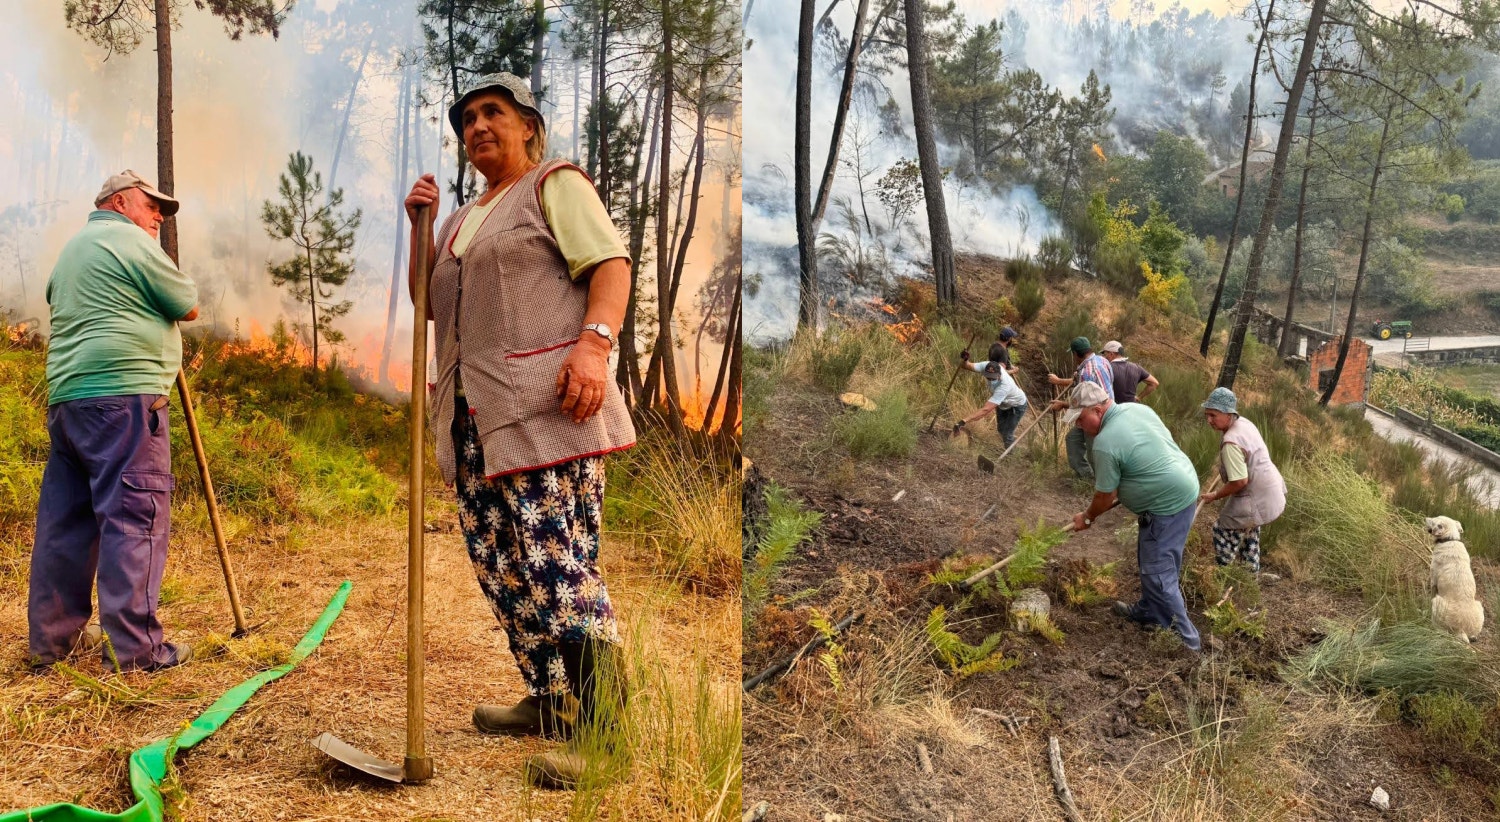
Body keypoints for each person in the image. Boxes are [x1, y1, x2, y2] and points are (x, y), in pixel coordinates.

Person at [404, 72, 636, 790]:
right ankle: (549, 701)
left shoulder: (553, 185)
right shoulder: (464, 219)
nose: (477, 126)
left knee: (557, 564)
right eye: (467, 117)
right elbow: (429, 306)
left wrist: (594, 345)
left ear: (528, 127)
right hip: (474, 421)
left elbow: (610, 264)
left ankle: (608, 733)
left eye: (492, 112)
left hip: (544, 410)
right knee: (503, 568)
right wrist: (421, 229)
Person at [29, 170, 198, 673]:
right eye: (152, 207)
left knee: (67, 524)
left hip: (68, 402)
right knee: (133, 520)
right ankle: (137, 652)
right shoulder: (128, 240)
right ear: (121, 202)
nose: (158, 219)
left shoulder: (72, 251)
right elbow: (187, 305)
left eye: (163, 213)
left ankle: (50, 648)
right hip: (124, 401)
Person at [1066, 383, 1203, 652]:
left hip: (1166, 505)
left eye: (1081, 420)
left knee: (1158, 573)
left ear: (1097, 409)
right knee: (1154, 559)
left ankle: (1188, 644)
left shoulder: (1105, 443)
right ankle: (1150, 610)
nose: (1079, 426)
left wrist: (1088, 517)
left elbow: (1104, 496)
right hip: (1184, 487)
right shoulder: (1136, 409)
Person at [1198, 388, 1286, 577]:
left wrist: (1215, 495)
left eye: (1213, 415)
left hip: (1256, 493)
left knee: (1222, 529)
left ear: (1229, 413)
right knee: (1249, 528)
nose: (1209, 421)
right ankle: (1249, 574)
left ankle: (1225, 575)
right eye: (1207, 415)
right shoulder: (1244, 423)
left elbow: (1239, 481)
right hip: (1270, 487)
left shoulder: (1231, 442)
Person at [1047, 337, 1113, 479]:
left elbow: (1087, 404)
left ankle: (1100, 484)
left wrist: (1063, 404)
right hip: (1100, 410)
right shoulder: (1103, 361)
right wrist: (1061, 380)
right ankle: (1086, 476)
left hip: (1096, 416)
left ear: (1076, 353)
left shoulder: (1087, 372)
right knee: (1073, 439)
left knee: (1093, 452)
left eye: (1073, 354)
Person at [953, 351, 1029, 448]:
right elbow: (966, 366)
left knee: (1007, 434)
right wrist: (965, 359)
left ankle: (1010, 456)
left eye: (993, 378)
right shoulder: (987, 366)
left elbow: (985, 410)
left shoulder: (1004, 386)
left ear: (999, 374)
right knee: (1001, 429)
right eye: (988, 378)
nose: (990, 380)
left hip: (1017, 405)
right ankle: (1012, 444)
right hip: (1003, 404)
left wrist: (963, 421)